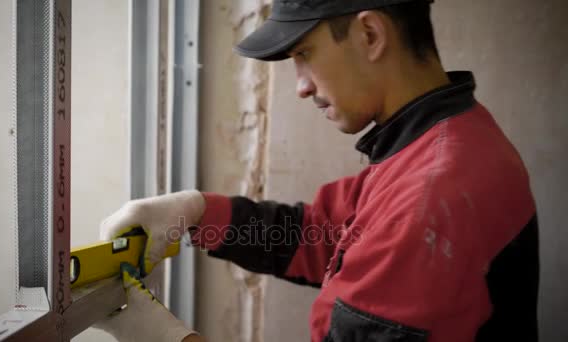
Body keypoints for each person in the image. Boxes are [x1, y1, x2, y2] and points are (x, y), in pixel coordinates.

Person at [95, 0, 540, 341]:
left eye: (304, 53)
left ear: (369, 34)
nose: (302, 86)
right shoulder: (445, 140)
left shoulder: (429, 197)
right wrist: (193, 215)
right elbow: (323, 234)